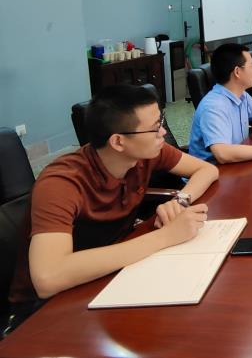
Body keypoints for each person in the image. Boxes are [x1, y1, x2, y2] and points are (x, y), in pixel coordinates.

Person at [5, 85, 219, 332]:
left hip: (110, 274)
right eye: (154, 128)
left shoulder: (146, 153)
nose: (163, 132)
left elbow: (207, 170)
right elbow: (48, 277)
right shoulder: (61, 183)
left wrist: (180, 200)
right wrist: (165, 237)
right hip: (46, 310)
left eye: (161, 121)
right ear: (118, 141)